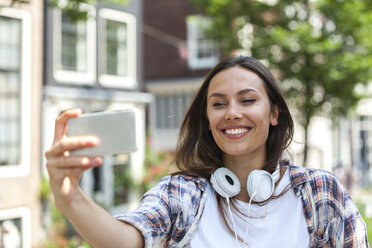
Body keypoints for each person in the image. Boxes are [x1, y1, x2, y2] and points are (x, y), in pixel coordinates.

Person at [45, 56, 369, 248]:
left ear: (274, 114)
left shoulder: (318, 191)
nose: (231, 112)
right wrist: (69, 196)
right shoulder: (183, 193)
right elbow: (127, 239)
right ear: (208, 120)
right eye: (218, 104)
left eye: (247, 100)